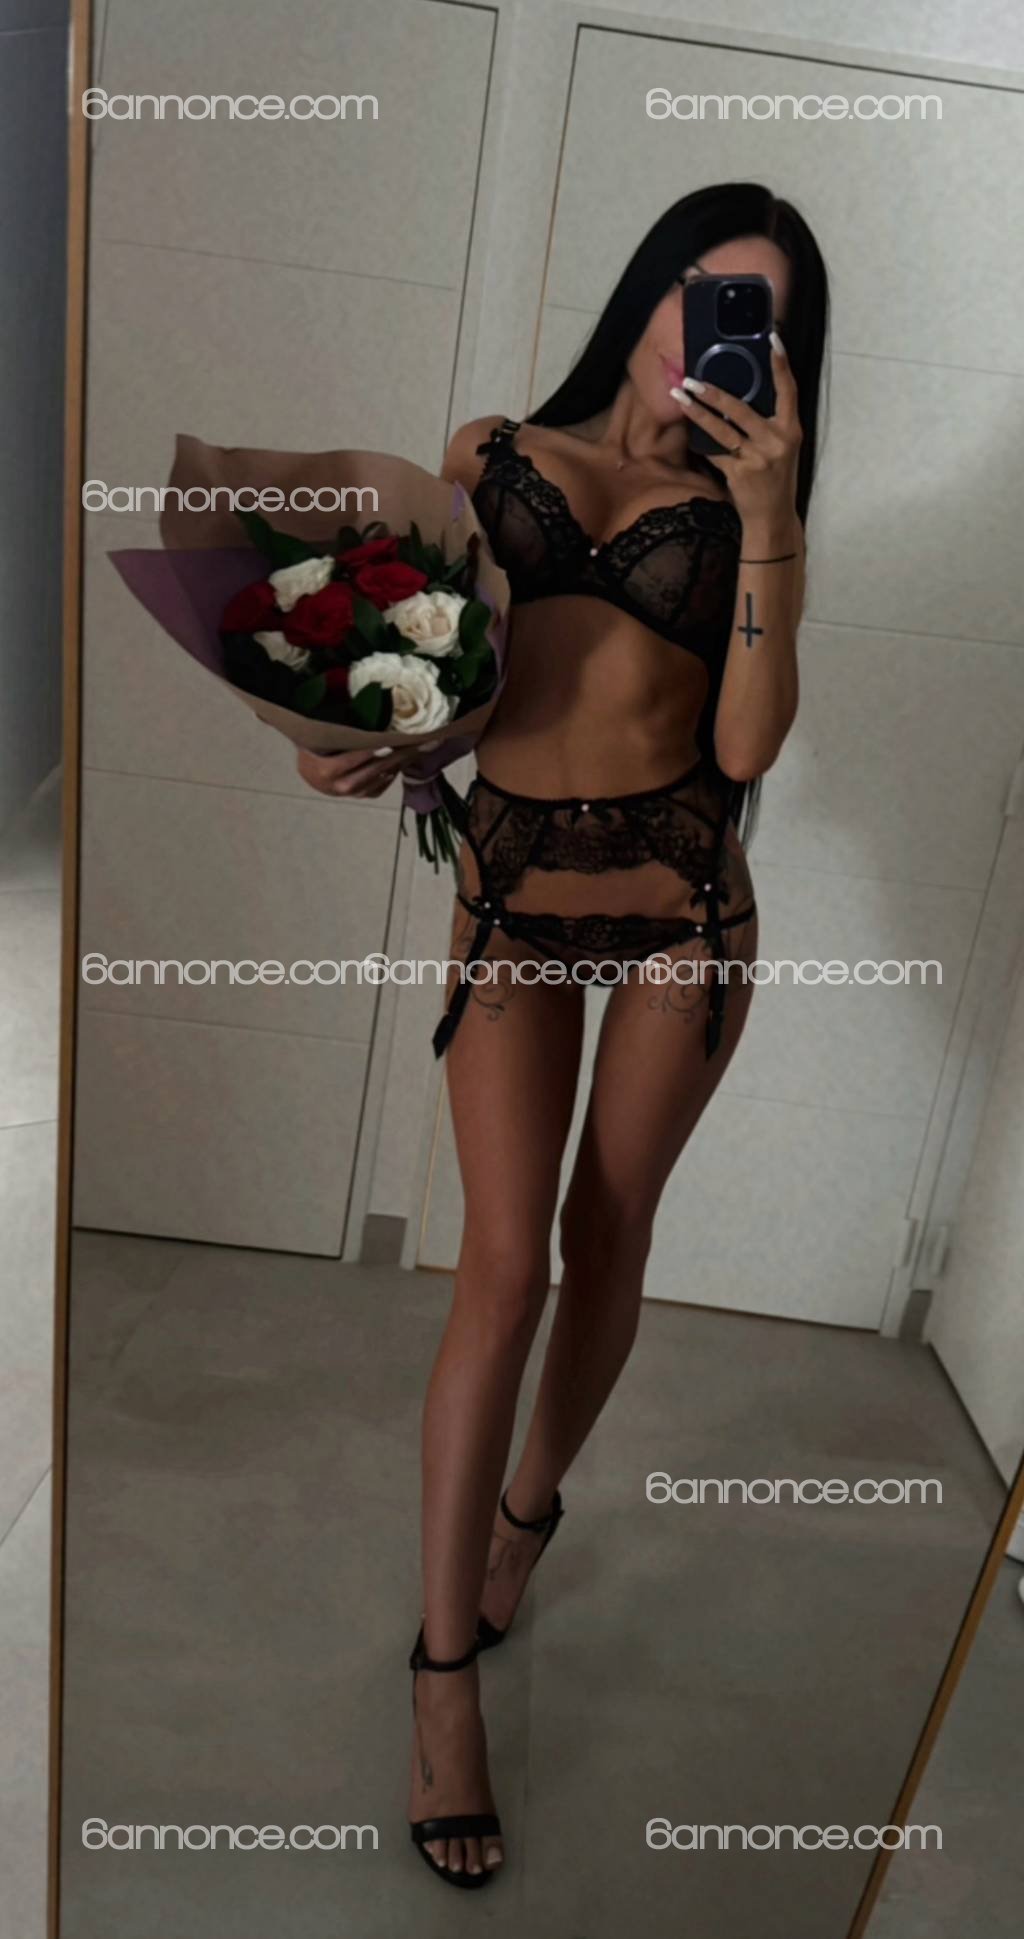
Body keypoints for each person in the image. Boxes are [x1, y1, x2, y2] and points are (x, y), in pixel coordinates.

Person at [298, 181, 828, 1889]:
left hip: (683, 911)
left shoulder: (748, 512)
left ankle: (531, 1511)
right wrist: (349, 740)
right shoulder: (495, 452)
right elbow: (427, 675)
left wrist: (772, 517)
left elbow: (745, 750)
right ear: (649, 292)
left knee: (610, 1238)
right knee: (501, 1268)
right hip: (513, 901)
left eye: (759, 315)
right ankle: (441, 1674)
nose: (715, 330)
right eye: (701, 288)